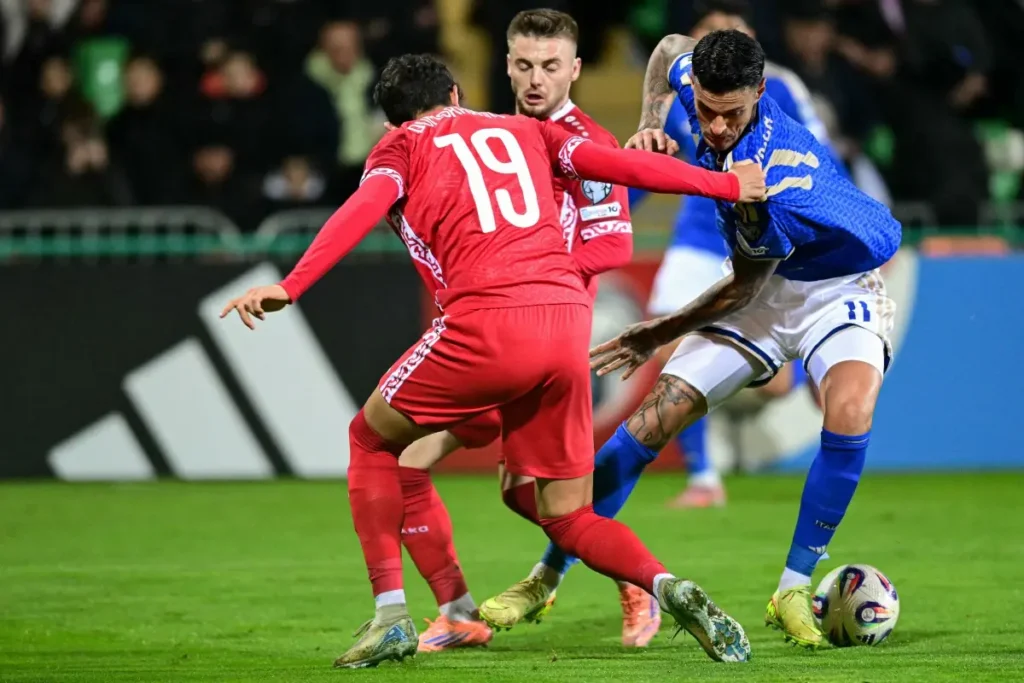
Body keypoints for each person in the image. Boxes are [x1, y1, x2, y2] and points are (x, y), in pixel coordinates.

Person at [220, 54, 766, 669]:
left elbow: (359, 211)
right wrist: (727, 184)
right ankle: (665, 585)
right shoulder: (526, 129)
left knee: (370, 440)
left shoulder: (400, 147)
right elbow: (617, 165)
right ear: (456, 93)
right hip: (566, 323)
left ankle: (392, 615)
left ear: (392, 121)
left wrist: (290, 285)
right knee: (567, 515)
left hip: (486, 325)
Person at [486, 29, 901, 651]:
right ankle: (547, 574)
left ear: (760, 92)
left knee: (849, 411)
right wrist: (651, 123)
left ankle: (792, 588)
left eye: (730, 113)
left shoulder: (769, 177)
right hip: (764, 283)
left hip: (836, 287)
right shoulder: (698, 83)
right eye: (706, 110)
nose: (716, 127)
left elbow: (740, 288)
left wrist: (657, 332)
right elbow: (668, 48)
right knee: (652, 423)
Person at [394, 9, 659, 652]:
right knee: (520, 495)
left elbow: (615, 244)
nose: (536, 79)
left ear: (575, 69)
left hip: (547, 332)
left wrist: (527, 275)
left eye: (550, 66)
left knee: (415, 461)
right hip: (494, 328)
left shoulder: (589, 141)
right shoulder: (496, 136)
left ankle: (627, 586)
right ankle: (626, 581)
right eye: (524, 65)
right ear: (507, 66)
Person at [631, 0, 836, 509]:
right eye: (709, 31)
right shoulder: (688, 88)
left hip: (761, 243)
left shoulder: (781, 86)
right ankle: (704, 477)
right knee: (668, 348)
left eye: (731, 30)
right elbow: (651, 163)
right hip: (699, 236)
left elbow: (822, 160)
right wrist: (611, 211)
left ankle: (785, 366)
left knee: (773, 385)